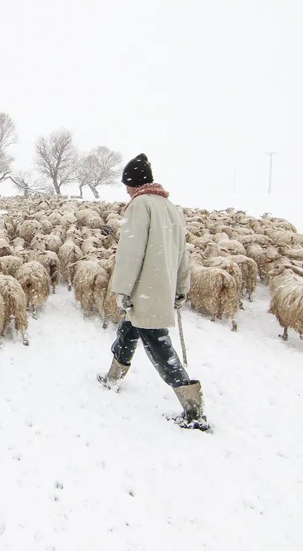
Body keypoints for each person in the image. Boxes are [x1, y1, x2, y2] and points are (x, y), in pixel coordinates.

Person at [97, 153, 209, 430]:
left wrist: (122, 289)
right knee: (128, 330)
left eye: (127, 185)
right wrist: (181, 287)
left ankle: (193, 410)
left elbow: (130, 252)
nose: (126, 190)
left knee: (159, 346)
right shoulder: (170, 208)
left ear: (135, 184)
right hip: (161, 287)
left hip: (144, 290)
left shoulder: (139, 206)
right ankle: (113, 378)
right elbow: (183, 253)